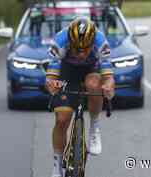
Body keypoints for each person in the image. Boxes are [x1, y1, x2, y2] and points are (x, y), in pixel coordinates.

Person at [45, 16, 115, 177]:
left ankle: (94, 128)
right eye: (77, 49)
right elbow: (51, 77)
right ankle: (57, 165)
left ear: (92, 43)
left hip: (91, 70)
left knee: (94, 85)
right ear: (70, 42)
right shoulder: (60, 41)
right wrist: (52, 84)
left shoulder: (100, 41)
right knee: (62, 119)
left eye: (86, 49)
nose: (81, 53)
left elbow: (108, 76)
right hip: (67, 73)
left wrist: (108, 86)